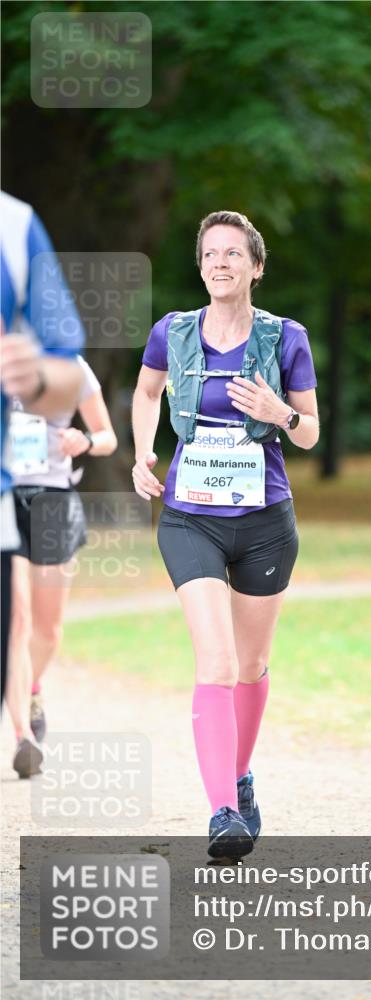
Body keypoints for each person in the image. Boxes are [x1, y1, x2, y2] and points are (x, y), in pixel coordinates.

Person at [132, 210, 319, 858]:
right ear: (200, 265)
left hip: (266, 523)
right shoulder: (174, 332)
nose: (219, 263)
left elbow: (310, 431)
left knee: (250, 665)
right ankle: (220, 813)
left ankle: (239, 777)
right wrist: (139, 453)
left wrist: (280, 411)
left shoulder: (285, 337)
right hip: (191, 517)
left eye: (233, 254)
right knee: (213, 661)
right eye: (210, 253)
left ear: (255, 267)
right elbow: (147, 388)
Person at [5, 354, 117, 777]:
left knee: (47, 630)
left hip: (53, 499)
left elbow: (107, 436)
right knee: (16, 618)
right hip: (5, 496)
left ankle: (29, 686)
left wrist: (84, 441)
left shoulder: (71, 366)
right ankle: (21, 736)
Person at [1, 191, 85, 703]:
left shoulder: (14, 224)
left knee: (42, 624)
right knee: (24, 616)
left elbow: (69, 374)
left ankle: (28, 696)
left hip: (43, 493)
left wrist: (34, 380)